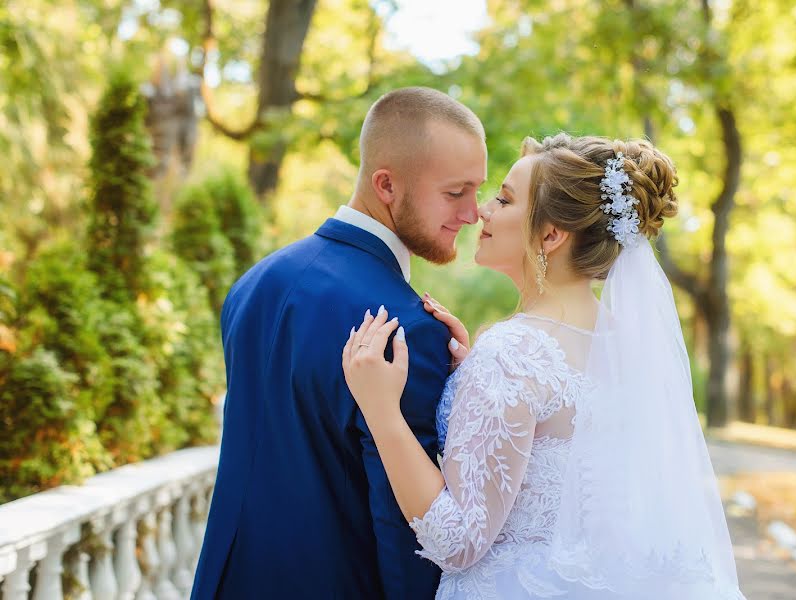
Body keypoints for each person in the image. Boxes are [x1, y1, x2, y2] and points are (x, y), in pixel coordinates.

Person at [343, 133, 747, 599]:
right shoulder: (625, 348)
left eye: (505, 199)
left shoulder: (514, 354)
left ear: (551, 234)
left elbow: (457, 541)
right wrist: (475, 376)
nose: (481, 212)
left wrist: (381, 412)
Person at [191, 86, 487, 599]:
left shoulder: (252, 285)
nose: (474, 213)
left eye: (478, 191)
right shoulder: (406, 329)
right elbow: (406, 532)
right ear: (386, 184)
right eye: (455, 192)